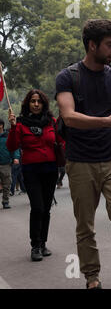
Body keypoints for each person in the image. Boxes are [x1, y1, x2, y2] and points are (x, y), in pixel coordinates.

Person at [55, 19, 111, 289]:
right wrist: (108, 121)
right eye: (110, 44)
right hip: (80, 162)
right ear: (92, 45)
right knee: (86, 226)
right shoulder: (68, 77)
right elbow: (69, 117)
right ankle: (92, 278)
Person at [7, 89, 60, 261]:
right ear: (27, 104)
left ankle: (43, 243)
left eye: (39, 101)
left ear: (43, 104)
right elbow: (12, 146)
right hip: (31, 171)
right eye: (33, 101)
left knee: (46, 208)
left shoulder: (52, 122)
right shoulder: (20, 123)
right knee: (37, 208)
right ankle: (35, 246)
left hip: (51, 170)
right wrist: (13, 127)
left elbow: (61, 141)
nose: (36, 104)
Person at [0, 119, 20, 209]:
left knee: (7, 183)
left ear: (1, 125)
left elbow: (15, 147)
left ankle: (5, 201)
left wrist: (16, 157)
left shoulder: (8, 136)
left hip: (6, 163)